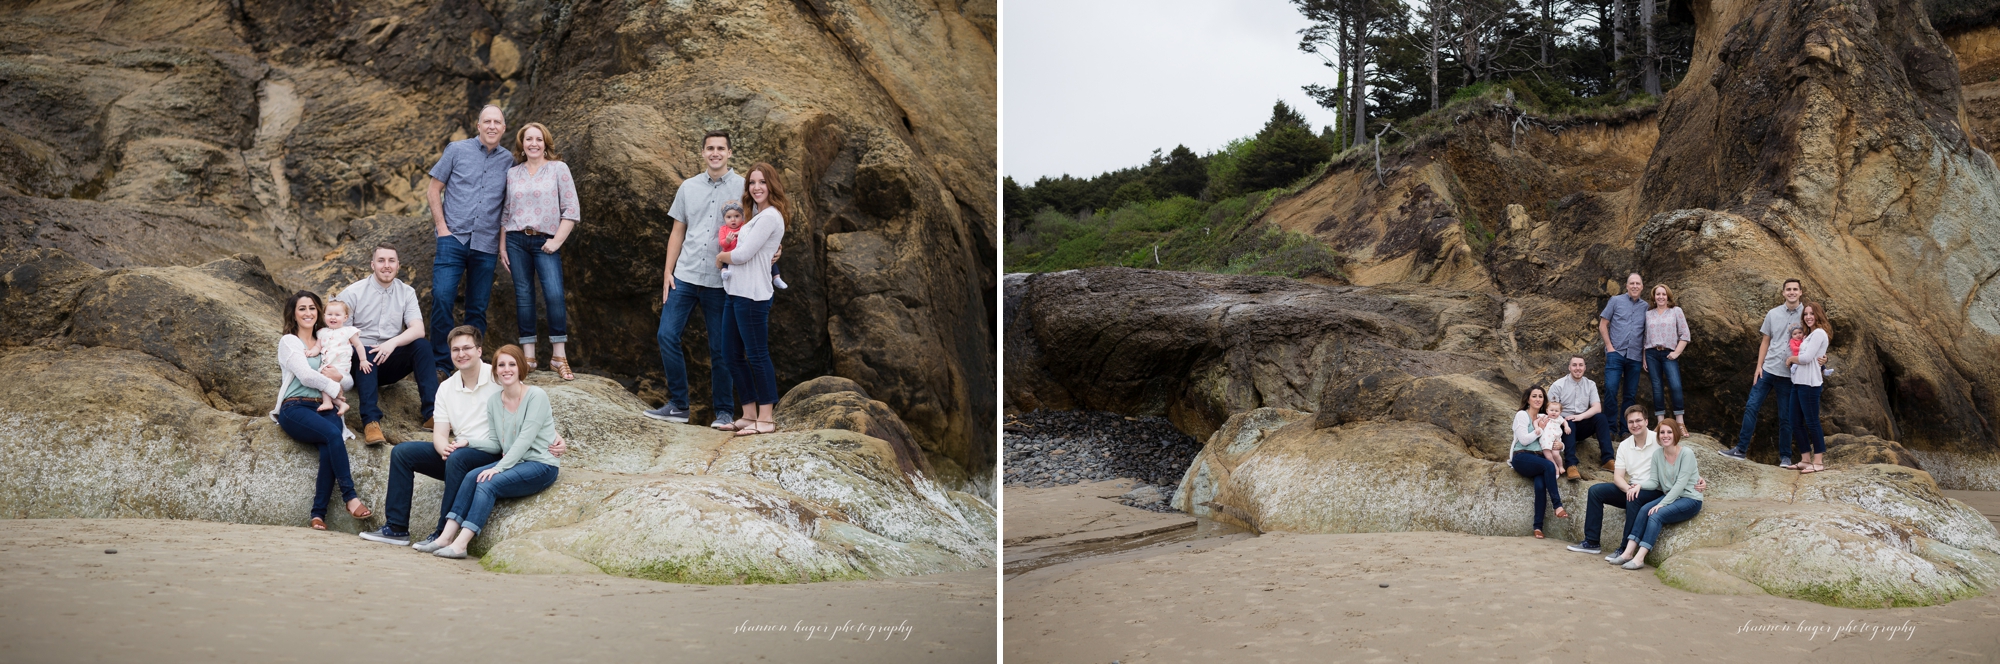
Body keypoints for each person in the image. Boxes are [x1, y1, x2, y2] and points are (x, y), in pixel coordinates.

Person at [361, 326, 565, 547]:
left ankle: (441, 533)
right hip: (462, 450)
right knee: (402, 453)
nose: (461, 354)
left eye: (467, 348)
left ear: (479, 351)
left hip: (493, 451)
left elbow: (525, 403)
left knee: (459, 458)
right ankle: (396, 528)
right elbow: (440, 433)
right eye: (455, 349)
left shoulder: (497, 374)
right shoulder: (446, 388)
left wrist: (554, 435)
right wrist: (444, 449)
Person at [426, 344, 562, 559]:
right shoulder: (494, 401)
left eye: (512, 364)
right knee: (472, 477)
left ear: (520, 368)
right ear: (496, 371)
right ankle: (445, 537)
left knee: (487, 481)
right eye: (501, 365)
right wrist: (467, 442)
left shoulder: (536, 396)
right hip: (515, 462)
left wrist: (499, 468)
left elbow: (525, 440)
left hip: (541, 465)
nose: (506, 369)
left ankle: (461, 545)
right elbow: (496, 444)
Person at [645, 130, 742, 428]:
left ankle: (724, 412)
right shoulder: (688, 187)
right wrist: (667, 271)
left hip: (721, 281)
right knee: (666, 335)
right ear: (702, 153)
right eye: (710, 148)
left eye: (720, 148)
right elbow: (678, 230)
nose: (715, 153)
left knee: (721, 348)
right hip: (685, 276)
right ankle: (678, 405)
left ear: (729, 153)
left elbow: (759, 226)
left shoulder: (742, 187)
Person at [271, 291, 371, 530]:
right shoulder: (289, 341)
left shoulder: (327, 338)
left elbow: (346, 380)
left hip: (324, 406)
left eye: (312, 308)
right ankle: (351, 497)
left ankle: (318, 514)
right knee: (333, 436)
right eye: (302, 309)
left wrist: (340, 380)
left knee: (330, 448)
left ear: (319, 312)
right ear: (294, 315)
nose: (308, 313)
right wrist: (336, 386)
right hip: (295, 406)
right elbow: (306, 376)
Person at [425, 104, 513, 377]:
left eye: (497, 122)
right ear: (478, 126)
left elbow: (507, 207)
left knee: (477, 308)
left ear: (503, 128)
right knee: (441, 298)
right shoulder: (456, 150)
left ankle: (472, 364)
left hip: (485, 245)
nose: (491, 126)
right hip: (453, 239)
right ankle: (441, 363)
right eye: (486, 121)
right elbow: (434, 189)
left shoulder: (509, 161)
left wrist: (501, 245)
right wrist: (442, 228)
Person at [335, 242, 440, 445]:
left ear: (398, 265)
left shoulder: (406, 292)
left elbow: (418, 329)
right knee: (363, 351)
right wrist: (361, 350)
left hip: (388, 360)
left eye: (391, 261)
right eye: (381, 260)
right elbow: (339, 333)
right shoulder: (353, 293)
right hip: (360, 361)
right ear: (372, 264)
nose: (386, 265)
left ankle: (432, 414)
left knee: (422, 346)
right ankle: (371, 422)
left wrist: (392, 343)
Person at [498, 121, 579, 381]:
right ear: (522, 144)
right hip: (516, 240)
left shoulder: (558, 169)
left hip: (546, 241)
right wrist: (502, 245)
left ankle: (558, 356)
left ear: (546, 143)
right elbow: (506, 213)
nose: (533, 143)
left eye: (538, 139)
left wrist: (556, 241)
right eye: (528, 139)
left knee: (554, 295)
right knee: (524, 296)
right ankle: (529, 357)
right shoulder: (513, 173)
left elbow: (572, 210)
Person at [715, 162, 787, 436]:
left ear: (772, 185)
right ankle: (748, 414)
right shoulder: (757, 214)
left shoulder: (770, 216)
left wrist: (721, 257)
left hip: (753, 295)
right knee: (731, 354)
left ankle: (766, 419)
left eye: (762, 182)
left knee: (757, 355)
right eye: (752, 182)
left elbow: (743, 255)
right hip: (736, 292)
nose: (756, 187)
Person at [1720, 279, 1806, 467]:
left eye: (1795, 289)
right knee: (1751, 406)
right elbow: (1766, 341)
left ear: (1800, 292)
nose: (1791, 292)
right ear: (1783, 293)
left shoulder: (1807, 314)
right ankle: (1741, 450)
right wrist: (1758, 366)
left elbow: (1814, 340)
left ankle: (1785, 457)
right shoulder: (1773, 314)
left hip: (1789, 375)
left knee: (1786, 416)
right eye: (1788, 289)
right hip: (1768, 369)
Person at [1609, 419, 1704, 570]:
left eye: (1669, 432)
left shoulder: (1687, 454)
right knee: (1644, 510)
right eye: (1662, 432)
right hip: (1671, 497)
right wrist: (1639, 485)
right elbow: (1654, 481)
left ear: (1676, 434)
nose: (1665, 435)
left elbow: (1680, 485)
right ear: (1658, 435)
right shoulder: (1658, 454)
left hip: (1689, 499)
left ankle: (1639, 558)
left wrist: (1662, 504)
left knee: (1656, 515)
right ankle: (1627, 553)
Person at [1509, 387, 1569, 539]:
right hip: (1522, 456)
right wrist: (1539, 430)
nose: (1537, 399)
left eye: (1540, 396)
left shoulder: (1547, 416)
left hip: (1540, 458)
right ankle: (1558, 506)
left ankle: (1537, 527)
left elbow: (1555, 437)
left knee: (1541, 486)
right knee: (1549, 465)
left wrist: (1562, 446)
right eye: (1534, 396)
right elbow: (1523, 440)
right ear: (1528, 399)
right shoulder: (1522, 415)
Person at [1599, 273, 1649, 443]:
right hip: (1616, 354)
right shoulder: (1615, 301)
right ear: (1627, 286)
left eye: (1638, 283)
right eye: (1632, 283)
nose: (1635, 286)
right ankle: (1610, 429)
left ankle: (1625, 431)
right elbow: (1603, 324)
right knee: (1611, 390)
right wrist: (1610, 348)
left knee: (1630, 395)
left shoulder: (1646, 307)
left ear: (1642, 287)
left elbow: (1646, 335)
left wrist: (1643, 357)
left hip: (1634, 356)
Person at [1786, 302, 1831, 473]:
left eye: (1812, 313)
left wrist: (1791, 360)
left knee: (1812, 422)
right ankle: (1805, 459)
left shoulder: (1819, 333)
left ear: (1818, 315)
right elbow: (1810, 356)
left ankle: (1818, 462)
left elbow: (1805, 358)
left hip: (1810, 384)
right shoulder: (1809, 335)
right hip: (1799, 382)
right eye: (1806, 314)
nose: (1808, 317)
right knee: (1795, 421)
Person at [1549, 356, 1611, 478]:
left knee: (1601, 417)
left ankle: (1608, 460)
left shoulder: (1590, 384)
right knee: (1569, 421)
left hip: (1582, 424)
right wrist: (1565, 421)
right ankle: (1571, 465)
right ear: (1569, 367)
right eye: (1574, 365)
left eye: (1581, 365)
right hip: (1563, 427)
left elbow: (1597, 407)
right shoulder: (1558, 385)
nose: (1578, 368)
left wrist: (1580, 417)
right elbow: (1550, 410)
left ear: (1585, 367)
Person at [1643, 284, 1691, 424]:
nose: (1661, 297)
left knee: (1675, 385)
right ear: (1654, 297)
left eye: (1663, 294)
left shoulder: (1676, 311)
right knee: (1657, 388)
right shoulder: (1648, 314)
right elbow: (1644, 337)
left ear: (1668, 296)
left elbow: (1685, 334)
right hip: (1651, 354)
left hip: (1669, 353)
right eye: (1658, 294)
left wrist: (1676, 352)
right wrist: (1644, 357)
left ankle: (1680, 423)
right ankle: (1660, 422)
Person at [314, 300, 367, 415]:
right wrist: (311, 352)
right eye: (329, 314)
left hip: (341, 366)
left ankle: (328, 402)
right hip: (326, 365)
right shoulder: (322, 332)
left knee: (326, 382)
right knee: (322, 381)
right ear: (324, 316)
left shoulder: (348, 331)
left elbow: (358, 345)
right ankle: (340, 403)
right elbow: (318, 346)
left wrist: (363, 360)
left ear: (345, 317)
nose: (333, 317)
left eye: (337, 315)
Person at [717, 202, 787, 289]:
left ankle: (777, 278)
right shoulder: (723, 229)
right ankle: (724, 272)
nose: (733, 220)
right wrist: (727, 241)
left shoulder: (745, 226)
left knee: (771, 261)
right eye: (729, 217)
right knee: (725, 263)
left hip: (745, 253)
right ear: (724, 218)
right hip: (729, 253)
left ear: (742, 216)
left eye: (737, 216)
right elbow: (722, 243)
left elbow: (755, 235)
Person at [1537, 399, 1569, 474]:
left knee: (1556, 454)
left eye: (1556, 411)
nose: (1554, 412)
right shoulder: (1544, 416)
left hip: (1555, 440)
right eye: (1551, 410)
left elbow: (1564, 421)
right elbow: (1535, 417)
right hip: (1545, 440)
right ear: (1547, 410)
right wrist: (1537, 426)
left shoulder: (1559, 419)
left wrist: (1566, 427)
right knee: (1548, 456)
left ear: (1560, 412)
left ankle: (1561, 466)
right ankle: (1555, 468)